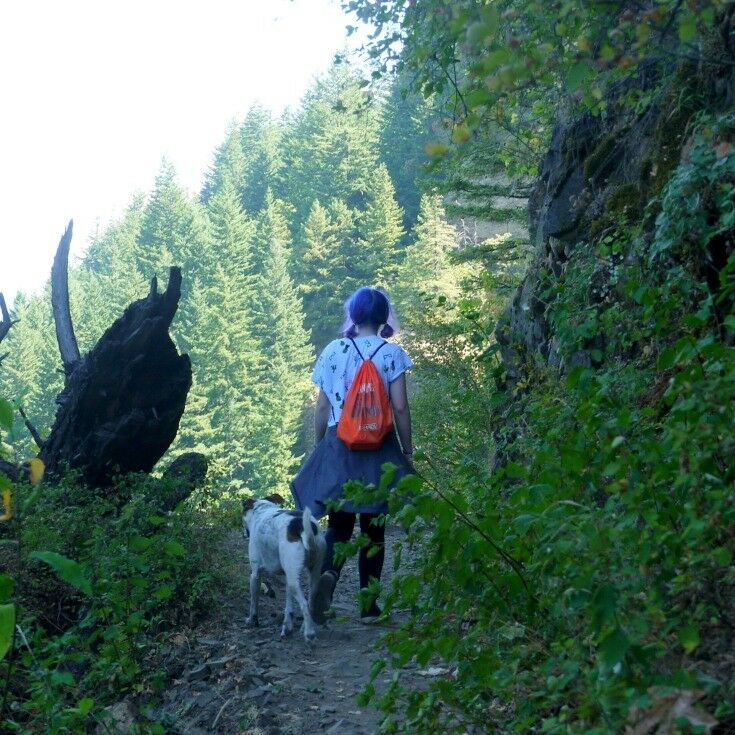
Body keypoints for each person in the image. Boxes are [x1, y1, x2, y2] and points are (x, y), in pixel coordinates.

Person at [291, 286, 414, 623]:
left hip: (339, 445)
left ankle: (327, 577)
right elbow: (400, 408)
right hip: (380, 448)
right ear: (383, 316)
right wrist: (407, 450)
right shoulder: (392, 355)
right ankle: (369, 608)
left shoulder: (334, 350)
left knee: (340, 526)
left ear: (354, 315)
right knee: (374, 530)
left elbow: (321, 406)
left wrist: (320, 445)